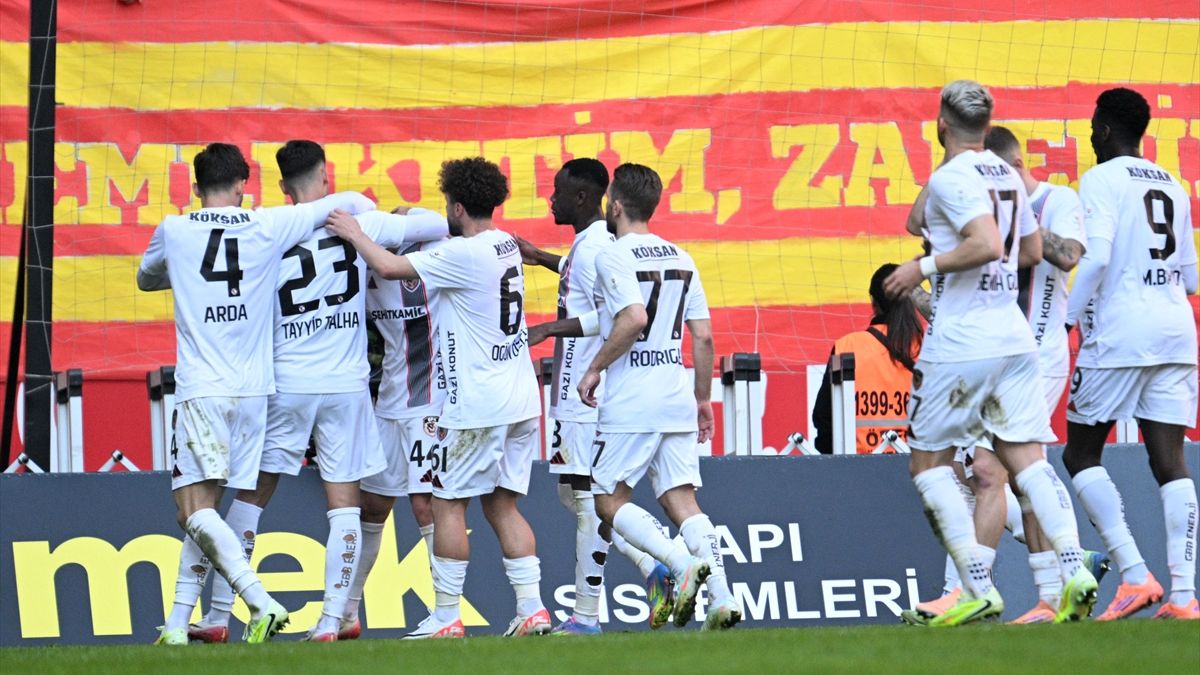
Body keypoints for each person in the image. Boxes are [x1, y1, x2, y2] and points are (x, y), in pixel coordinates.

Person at [137, 142, 376, 644]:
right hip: (255, 394)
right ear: (244, 186)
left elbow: (145, 278)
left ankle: (257, 602)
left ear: (195, 187)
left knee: (194, 511)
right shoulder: (267, 225)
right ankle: (180, 624)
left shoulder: (174, 230)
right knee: (209, 513)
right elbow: (342, 204)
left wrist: (185, 274)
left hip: (206, 390)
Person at [883, 80, 1097, 626]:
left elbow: (985, 243)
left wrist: (921, 267)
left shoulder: (953, 177)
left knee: (927, 464)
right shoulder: (1003, 173)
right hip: (1015, 338)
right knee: (1026, 459)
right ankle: (1074, 570)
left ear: (941, 124)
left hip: (964, 342)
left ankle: (976, 587)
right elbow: (1027, 249)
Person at [325, 157, 550, 638]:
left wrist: (354, 231)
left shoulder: (461, 255)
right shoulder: (504, 244)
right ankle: (532, 610)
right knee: (502, 506)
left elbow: (388, 265)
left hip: (475, 403)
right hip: (520, 400)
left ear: (458, 206)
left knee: (445, 505)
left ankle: (447, 615)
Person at [573, 162, 741, 631]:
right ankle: (722, 599)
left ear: (616, 206)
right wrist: (703, 398)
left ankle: (679, 564)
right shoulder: (682, 257)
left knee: (607, 500)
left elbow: (632, 319)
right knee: (682, 501)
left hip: (633, 400)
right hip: (676, 395)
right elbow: (703, 336)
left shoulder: (614, 255)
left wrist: (594, 368)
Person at [517, 158, 674, 634]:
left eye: (558, 192)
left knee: (588, 500)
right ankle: (653, 565)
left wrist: (548, 328)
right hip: (573, 392)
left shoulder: (598, 248)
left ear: (583, 197)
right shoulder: (589, 244)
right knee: (572, 495)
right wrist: (541, 257)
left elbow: (610, 317)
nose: (551, 199)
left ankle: (588, 613)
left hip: (585, 393)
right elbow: (580, 278)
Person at [1063, 87, 1199, 621]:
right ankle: (1184, 597)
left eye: (1092, 128)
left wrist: (1067, 318)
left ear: (1102, 129)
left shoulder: (1100, 179)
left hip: (1120, 334)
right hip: (1175, 331)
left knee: (1080, 455)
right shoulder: (1173, 184)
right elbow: (1191, 277)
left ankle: (1136, 574)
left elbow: (1096, 259)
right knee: (1170, 461)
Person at [812, 263, 923, 454]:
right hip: (918, 462)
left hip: (859, 464)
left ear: (873, 301)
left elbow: (823, 417)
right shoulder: (927, 348)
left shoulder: (846, 347)